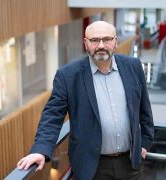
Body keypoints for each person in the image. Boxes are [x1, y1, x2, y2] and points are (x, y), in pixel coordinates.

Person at [17, 21, 154, 180]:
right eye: (95, 40)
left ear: (115, 41)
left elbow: (145, 108)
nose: (101, 45)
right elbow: (52, 116)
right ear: (86, 43)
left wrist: (144, 142)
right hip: (92, 167)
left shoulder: (133, 66)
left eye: (107, 39)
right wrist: (40, 150)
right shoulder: (68, 75)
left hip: (130, 163)